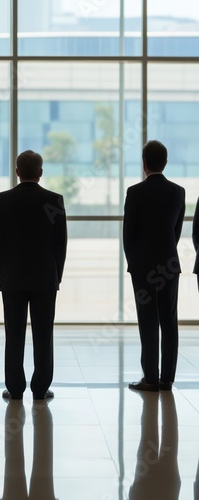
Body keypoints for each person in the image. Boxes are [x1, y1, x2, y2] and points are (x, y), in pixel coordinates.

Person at [0, 150, 67, 400]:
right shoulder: (54, 200)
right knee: (44, 334)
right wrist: (57, 275)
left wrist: (0, 273)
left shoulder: (2, 200)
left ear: (17, 172)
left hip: (12, 278)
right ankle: (40, 387)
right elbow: (60, 243)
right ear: (41, 172)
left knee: (13, 334)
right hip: (45, 278)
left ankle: (14, 388)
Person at [123, 140, 185, 392]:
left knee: (147, 320)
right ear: (165, 162)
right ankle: (167, 378)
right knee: (169, 320)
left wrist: (133, 262)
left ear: (144, 163)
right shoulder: (178, 191)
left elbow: (129, 233)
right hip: (169, 263)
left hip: (143, 265)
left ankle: (150, 377)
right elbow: (176, 230)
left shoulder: (135, 192)